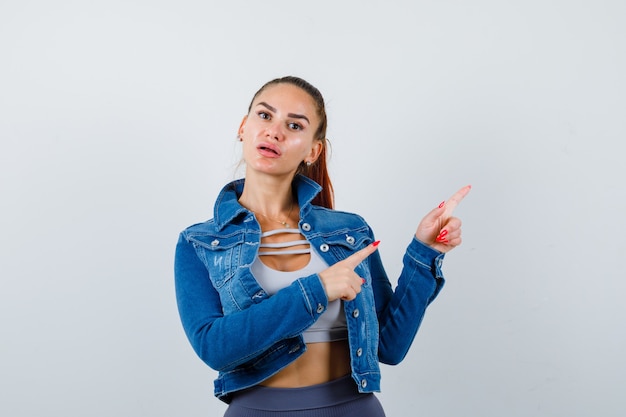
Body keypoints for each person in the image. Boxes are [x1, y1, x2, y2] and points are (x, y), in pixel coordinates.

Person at [174, 76, 470, 417]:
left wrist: (424, 252)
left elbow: (390, 346)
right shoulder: (200, 242)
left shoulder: (348, 230)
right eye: (265, 116)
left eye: (294, 125)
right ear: (243, 127)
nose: (274, 131)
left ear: (313, 150)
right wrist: (317, 290)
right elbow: (215, 348)